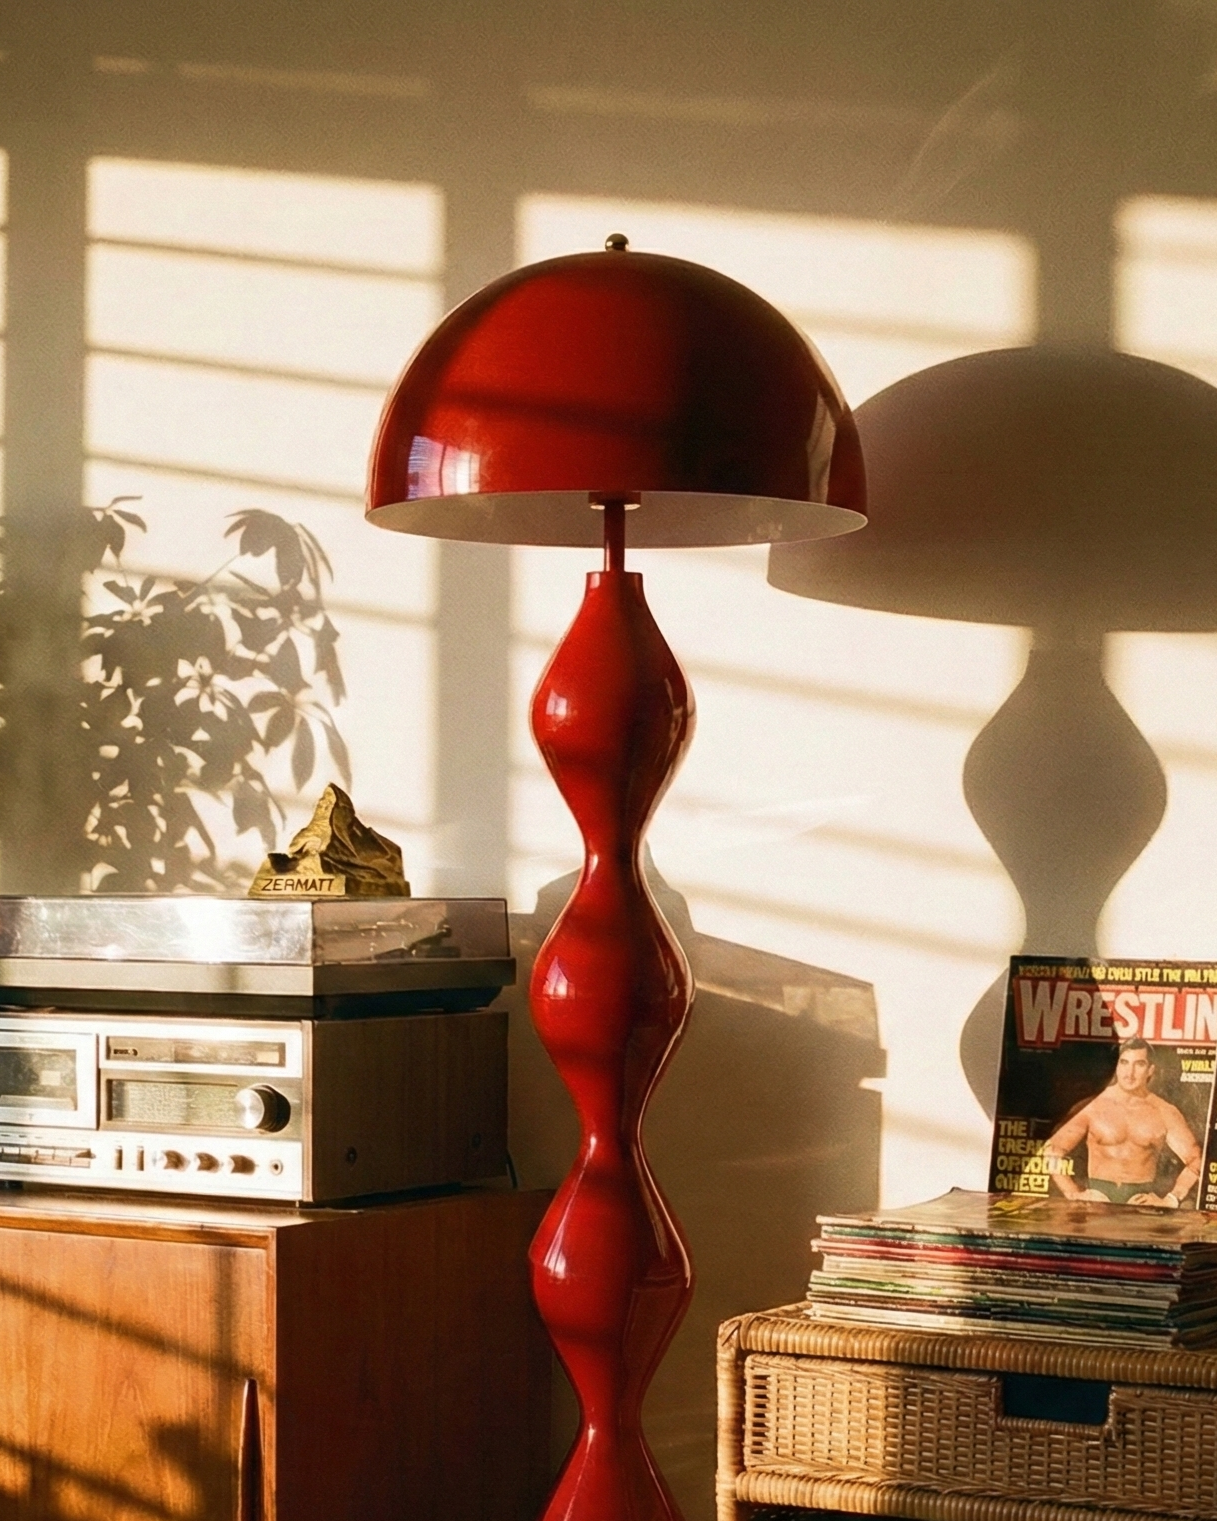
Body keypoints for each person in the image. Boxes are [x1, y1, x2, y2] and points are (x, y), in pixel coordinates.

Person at [1042, 1038, 1201, 1207]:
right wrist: (1072, 1192)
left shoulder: (1165, 1111)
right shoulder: (1092, 1106)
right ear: (1116, 1066)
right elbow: (1052, 1150)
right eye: (1124, 1063)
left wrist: (1171, 1199)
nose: (1129, 1073)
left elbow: (1196, 1160)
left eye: (1139, 1064)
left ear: (1150, 1070)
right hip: (1097, 1200)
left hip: (1140, 1204)